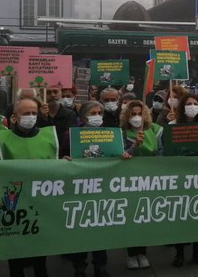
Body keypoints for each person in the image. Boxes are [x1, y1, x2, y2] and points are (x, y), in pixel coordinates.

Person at [0, 97, 58, 277]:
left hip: (41, 199)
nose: (31, 117)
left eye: (34, 113)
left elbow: (57, 164)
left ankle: (42, 272)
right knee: (15, 244)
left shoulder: (49, 136)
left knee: (40, 243)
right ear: (14, 117)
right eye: (26, 113)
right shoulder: (2, 140)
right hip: (13, 201)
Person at [69, 100, 109, 277]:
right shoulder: (72, 135)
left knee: (100, 228)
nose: (97, 117)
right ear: (83, 116)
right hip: (80, 189)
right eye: (92, 114)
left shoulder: (110, 135)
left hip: (103, 188)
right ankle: (80, 266)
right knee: (80, 230)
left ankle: (100, 265)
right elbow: (62, 155)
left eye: (99, 113)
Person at [120, 100, 161, 270]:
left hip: (149, 182)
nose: (136, 117)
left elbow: (161, 153)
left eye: (139, 114)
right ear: (127, 116)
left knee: (144, 217)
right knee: (131, 218)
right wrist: (134, 145)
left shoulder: (154, 130)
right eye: (133, 114)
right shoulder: (122, 133)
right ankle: (131, 254)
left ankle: (142, 252)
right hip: (129, 182)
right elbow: (121, 156)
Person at [170, 94, 198, 267]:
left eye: (195, 104)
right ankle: (179, 253)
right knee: (180, 216)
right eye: (188, 104)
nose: (192, 106)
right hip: (179, 177)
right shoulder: (171, 126)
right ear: (182, 107)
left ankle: (197, 251)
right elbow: (165, 151)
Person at [37, 86, 76, 157]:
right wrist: (42, 118)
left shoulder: (70, 115)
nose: (52, 95)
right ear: (42, 95)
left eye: (55, 92)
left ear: (60, 94)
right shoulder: (37, 115)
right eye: (48, 92)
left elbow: (71, 139)